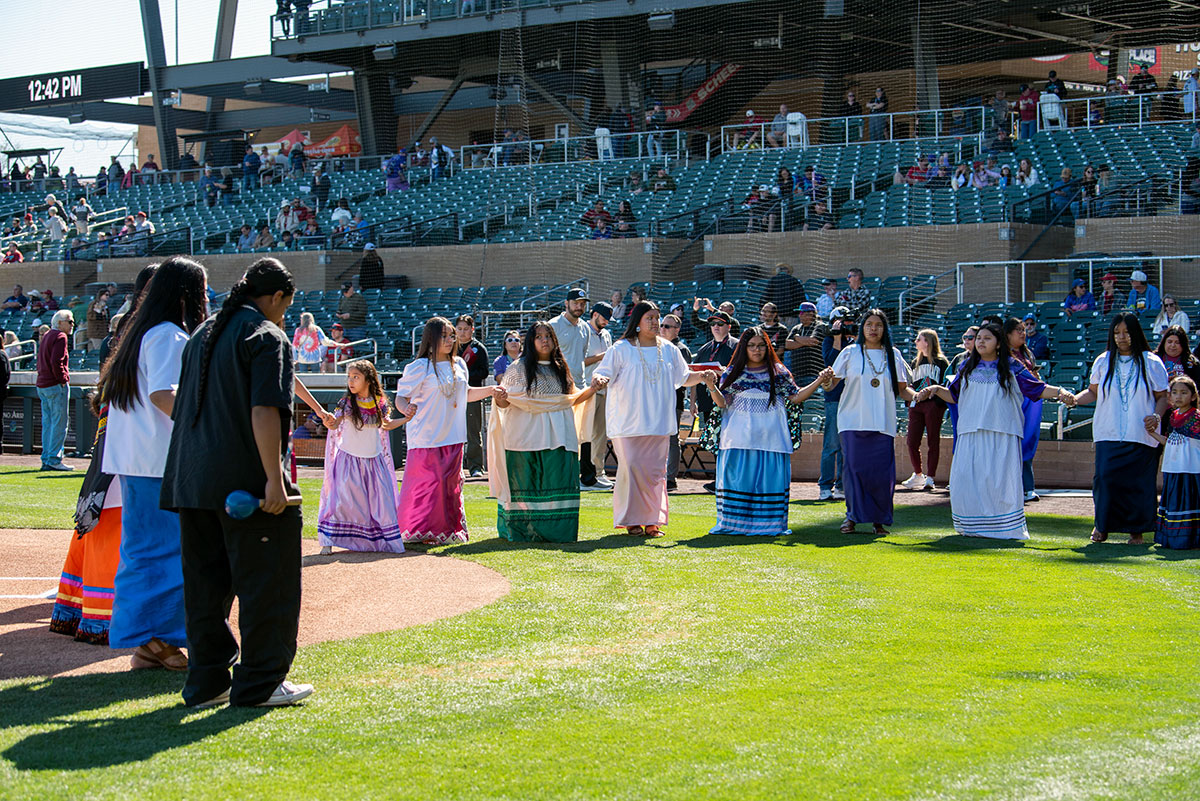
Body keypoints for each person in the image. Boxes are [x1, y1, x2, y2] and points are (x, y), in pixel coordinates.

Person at [162, 257, 313, 707]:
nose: (284, 312)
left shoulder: (201, 334)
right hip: (244, 483)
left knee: (205, 588)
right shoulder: (267, 335)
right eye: (286, 304)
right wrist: (274, 481)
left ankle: (207, 682)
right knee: (269, 584)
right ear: (277, 297)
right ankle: (261, 681)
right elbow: (265, 410)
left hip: (191, 481)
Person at [102, 256, 208, 673]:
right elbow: (164, 395)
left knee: (145, 549)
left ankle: (149, 643)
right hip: (156, 461)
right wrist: (205, 422)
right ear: (185, 294)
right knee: (164, 551)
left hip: (136, 458)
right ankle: (154, 639)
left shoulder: (139, 333)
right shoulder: (168, 335)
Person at [915, 322, 1075, 540]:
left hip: (1001, 433)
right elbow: (954, 396)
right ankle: (972, 526)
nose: (980, 342)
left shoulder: (1011, 367)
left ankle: (1003, 528)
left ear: (999, 343)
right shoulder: (966, 367)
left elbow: (1036, 388)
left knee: (997, 482)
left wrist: (1060, 392)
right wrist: (934, 389)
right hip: (971, 432)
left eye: (987, 338)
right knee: (968, 480)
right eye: (978, 338)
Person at [593, 301, 714, 537]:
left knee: (655, 474)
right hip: (627, 424)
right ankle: (631, 520)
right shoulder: (620, 348)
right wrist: (600, 379)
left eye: (657, 318)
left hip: (659, 423)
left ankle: (652, 521)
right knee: (631, 470)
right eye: (649, 317)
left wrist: (702, 376)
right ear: (636, 321)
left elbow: (683, 377)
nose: (655, 322)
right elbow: (603, 372)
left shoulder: (669, 349)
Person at [704, 328, 831, 536]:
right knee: (739, 483)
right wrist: (711, 386)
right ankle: (733, 524)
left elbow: (796, 397)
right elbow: (722, 403)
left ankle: (769, 525)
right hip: (738, 441)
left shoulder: (779, 372)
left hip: (772, 440)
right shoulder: (733, 372)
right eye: (752, 345)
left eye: (761, 345)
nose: (756, 350)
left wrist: (818, 380)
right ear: (744, 347)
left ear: (767, 347)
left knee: (767, 485)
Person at [395, 317, 505, 544]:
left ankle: (446, 532)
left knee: (449, 486)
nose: (449, 340)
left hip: (453, 435)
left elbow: (465, 394)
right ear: (431, 339)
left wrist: (491, 390)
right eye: (443, 336)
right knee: (425, 486)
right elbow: (401, 397)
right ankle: (413, 530)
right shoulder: (419, 367)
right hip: (425, 436)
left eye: (451, 336)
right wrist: (406, 409)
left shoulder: (459, 365)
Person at [489, 323, 602, 542]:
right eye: (538, 336)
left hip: (559, 436)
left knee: (556, 480)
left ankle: (557, 532)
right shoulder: (517, 368)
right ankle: (521, 532)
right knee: (525, 483)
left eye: (548, 336)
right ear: (530, 341)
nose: (544, 340)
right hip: (524, 436)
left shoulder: (561, 367)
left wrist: (594, 388)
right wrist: (499, 400)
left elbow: (572, 399)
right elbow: (507, 404)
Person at [1071, 312, 1169, 544]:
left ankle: (1137, 531)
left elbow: (1162, 396)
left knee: (1139, 483)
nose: (1121, 337)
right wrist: (1074, 398)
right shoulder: (1103, 361)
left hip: (1142, 434)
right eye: (1116, 332)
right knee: (1104, 479)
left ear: (1136, 333)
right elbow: (1093, 392)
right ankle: (1102, 526)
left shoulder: (1152, 361)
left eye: (1126, 332)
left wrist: (1156, 416)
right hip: (1108, 431)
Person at [823, 309, 914, 535]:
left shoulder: (893, 354)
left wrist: (920, 395)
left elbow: (904, 390)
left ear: (885, 329)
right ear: (862, 328)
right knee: (854, 471)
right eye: (869, 324)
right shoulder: (850, 352)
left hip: (883, 422)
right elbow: (831, 385)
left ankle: (878, 521)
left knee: (881, 474)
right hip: (852, 421)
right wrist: (824, 381)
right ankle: (851, 518)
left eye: (878, 325)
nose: (873, 329)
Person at [317, 360, 410, 554]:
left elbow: (386, 424)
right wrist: (329, 422)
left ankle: (386, 541)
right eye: (349, 377)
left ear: (368, 380)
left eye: (356, 377)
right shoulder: (347, 403)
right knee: (343, 501)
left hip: (374, 461)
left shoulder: (379, 403)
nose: (351, 381)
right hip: (349, 460)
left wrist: (407, 419)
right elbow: (335, 424)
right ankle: (329, 540)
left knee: (382, 501)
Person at [1149, 376, 1200, 549]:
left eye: (1184, 393)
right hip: (1173, 468)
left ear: (1193, 396)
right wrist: (1153, 434)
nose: (1179, 396)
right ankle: (1173, 538)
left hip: (1192, 468)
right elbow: (1170, 441)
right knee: (1175, 502)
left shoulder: (1197, 417)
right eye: (1175, 392)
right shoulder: (1173, 416)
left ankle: (1191, 539)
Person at [549, 288, 592, 485]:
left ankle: (581, 477)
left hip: (580, 387)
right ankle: (559, 476)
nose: (579, 306)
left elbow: (581, 357)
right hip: (559, 388)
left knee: (581, 435)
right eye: (576, 302)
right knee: (560, 434)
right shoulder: (553, 326)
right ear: (566, 303)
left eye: (582, 303)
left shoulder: (585, 327)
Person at [902, 329, 950, 491]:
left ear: (927, 342)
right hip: (917, 405)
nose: (916, 342)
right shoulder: (915, 362)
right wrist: (913, 398)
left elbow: (945, 384)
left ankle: (930, 477)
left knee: (933, 440)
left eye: (919, 339)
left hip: (933, 404)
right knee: (912, 441)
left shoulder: (941, 362)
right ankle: (917, 474)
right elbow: (910, 385)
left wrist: (935, 400)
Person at [817, 307, 853, 501]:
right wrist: (838, 339)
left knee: (847, 446)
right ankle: (825, 486)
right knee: (831, 444)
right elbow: (832, 364)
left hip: (853, 398)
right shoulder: (829, 341)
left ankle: (841, 486)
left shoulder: (855, 342)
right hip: (834, 398)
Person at [580, 302, 614, 490]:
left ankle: (599, 472)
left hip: (604, 390)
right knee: (586, 434)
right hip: (587, 389)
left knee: (600, 435)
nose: (606, 322)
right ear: (594, 315)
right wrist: (602, 356)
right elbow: (579, 361)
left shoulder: (606, 334)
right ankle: (587, 474)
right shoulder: (583, 331)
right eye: (603, 318)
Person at [36, 310, 75, 471]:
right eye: (70, 321)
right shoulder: (60, 336)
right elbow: (57, 362)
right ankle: (53, 459)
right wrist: (63, 379)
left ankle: (47, 458)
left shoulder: (47, 335)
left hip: (42, 384)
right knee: (59, 424)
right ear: (60, 323)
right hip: (54, 384)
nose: (73, 324)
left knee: (48, 423)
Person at [454, 314, 490, 477]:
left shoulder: (478, 348)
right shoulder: (450, 347)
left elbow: (484, 372)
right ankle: (455, 465)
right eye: (459, 329)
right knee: (453, 432)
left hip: (472, 394)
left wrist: (464, 375)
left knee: (473, 432)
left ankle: (476, 466)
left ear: (472, 330)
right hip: (452, 396)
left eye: (466, 329)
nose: (462, 333)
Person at [661, 313, 692, 492]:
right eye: (662, 325)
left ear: (677, 330)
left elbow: (684, 378)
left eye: (667, 326)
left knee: (672, 439)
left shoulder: (681, 349)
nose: (662, 329)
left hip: (674, 400)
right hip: (657, 400)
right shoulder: (657, 346)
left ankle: (670, 478)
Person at [784, 302, 826, 385]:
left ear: (811, 314)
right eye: (800, 313)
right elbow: (787, 344)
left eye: (802, 313)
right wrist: (805, 342)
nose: (799, 315)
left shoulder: (819, 326)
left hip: (814, 373)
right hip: (797, 373)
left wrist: (796, 338)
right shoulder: (797, 328)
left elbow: (813, 341)